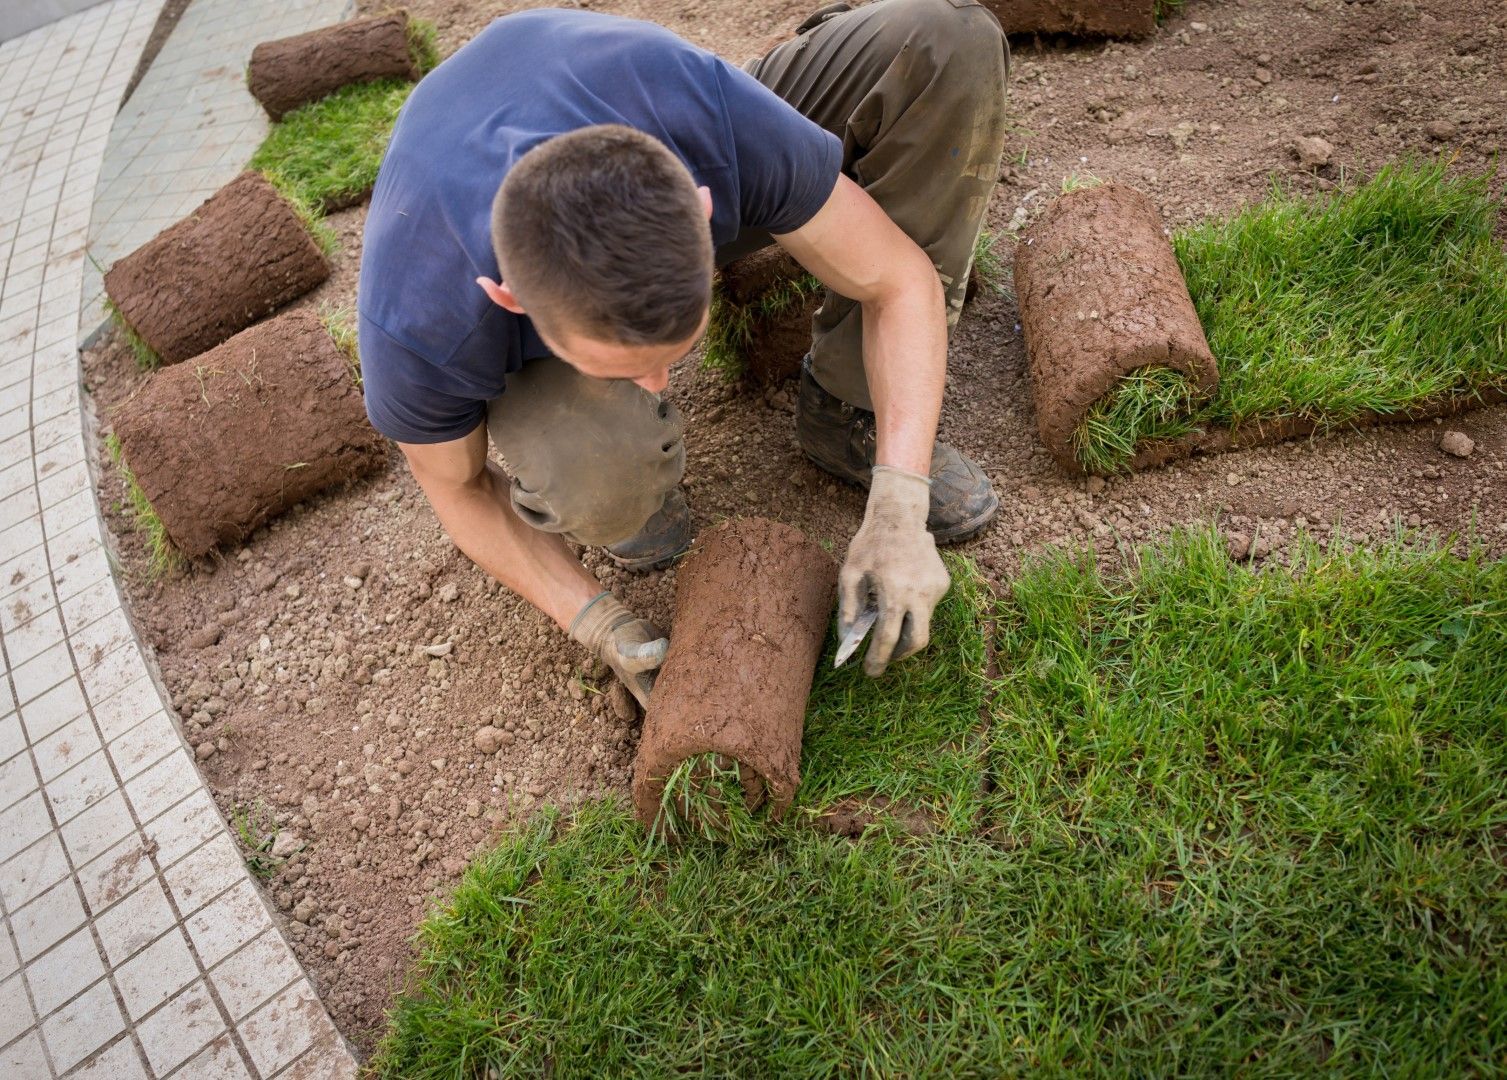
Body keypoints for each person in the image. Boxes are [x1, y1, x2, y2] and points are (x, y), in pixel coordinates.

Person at [357, 0, 1009, 707]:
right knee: (599, 478)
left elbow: (897, 280)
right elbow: (456, 488)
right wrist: (596, 620)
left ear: (702, 208)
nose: (660, 385)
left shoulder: (705, 120)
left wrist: (899, 501)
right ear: (510, 300)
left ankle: (846, 408)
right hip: (481, 224)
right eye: (623, 367)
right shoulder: (421, 316)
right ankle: (627, 493)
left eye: (674, 350)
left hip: (631, 105)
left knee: (947, 40)